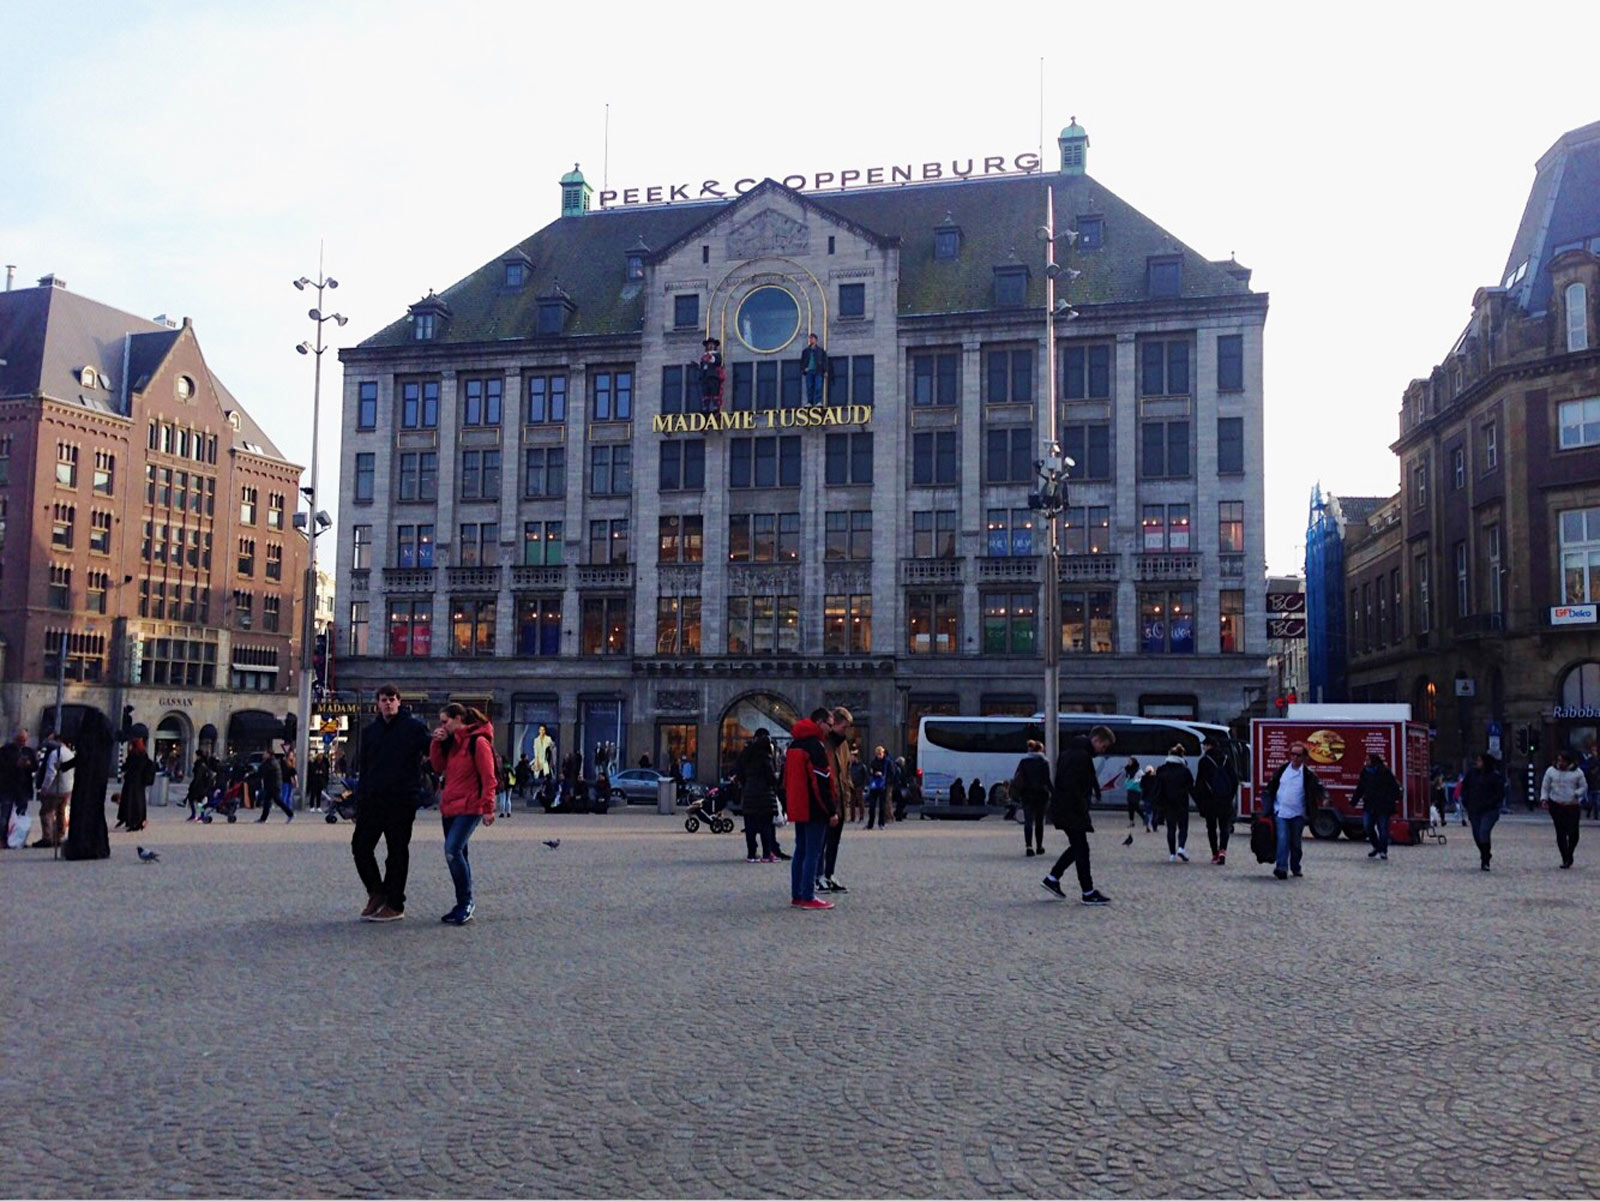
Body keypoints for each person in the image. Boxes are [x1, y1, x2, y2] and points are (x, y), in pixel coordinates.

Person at [352, 685, 433, 922]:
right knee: (360, 846)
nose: (388, 703)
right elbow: (364, 768)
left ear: (399, 701)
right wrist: (360, 801)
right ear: (377, 703)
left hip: (401, 800)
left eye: (392, 699)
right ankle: (376, 892)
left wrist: (442, 737)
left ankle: (395, 903)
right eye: (384, 700)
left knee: (396, 852)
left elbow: (432, 751)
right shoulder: (370, 732)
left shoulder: (414, 728)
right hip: (373, 800)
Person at [428, 703, 498, 924]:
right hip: (450, 806)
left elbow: (489, 777)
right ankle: (461, 903)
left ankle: (466, 902)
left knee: (452, 850)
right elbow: (438, 767)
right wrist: (436, 743)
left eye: (445, 722)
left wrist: (488, 808)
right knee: (459, 854)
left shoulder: (478, 742)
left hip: (470, 806)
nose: (443, 726)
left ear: (458, 718)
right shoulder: (452, 744)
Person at [1041, 725, 1114, 905]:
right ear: (1096, 740)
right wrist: (1083, 808)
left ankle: (1053, 878)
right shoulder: (1081, 756)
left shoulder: (1072, 752)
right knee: (1081, 849)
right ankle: (1087, 892)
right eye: (1103, 747)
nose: (1102, 751)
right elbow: (1075, 785)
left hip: (1065, 807)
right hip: (1071, 809)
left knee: (1078, 847)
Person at [783, 712, 838, 909]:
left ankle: (797, 894)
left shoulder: (794, 745)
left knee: (800, 851)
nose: (830, 729)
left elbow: (785, 779)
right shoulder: (815, 747)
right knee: (813, 853)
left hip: (799, 806)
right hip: (815, 807)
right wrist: (831, 810)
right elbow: (821, 782)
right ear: (819, 722)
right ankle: (808, 895)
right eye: (829, 725)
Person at [1263, 741, 1325, 880]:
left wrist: (1323, 798)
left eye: (1298, 755)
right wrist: (1267, 805)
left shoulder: (1308, 775)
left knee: (1295, 843)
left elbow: (1318, 789)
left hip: (1297, 814)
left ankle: (1295, 866)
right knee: (1283, 839)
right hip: (1281, 811)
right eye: (1292, 754)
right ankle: (1281, 868)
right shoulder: (1282, 770)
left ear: (1304, 757)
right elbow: (1271, 787)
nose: (1295, 757)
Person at [61, 712, 112, 861]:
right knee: (96, 814)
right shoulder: (104, 743)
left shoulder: (87, 741)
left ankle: (81, 847)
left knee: (82, 814)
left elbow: (81, 758)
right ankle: (98, 846)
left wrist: (64, 766)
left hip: (84, 785)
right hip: (98, 786)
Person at [818, 707, 854, 893]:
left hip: (840, 799)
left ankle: (829, 874)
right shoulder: (823, 743)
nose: (846, 732)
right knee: (821, 841)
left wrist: (847, 796)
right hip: (827, 800)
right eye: (844, 727)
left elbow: (846, 773)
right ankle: (819, 876)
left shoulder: (843, 745)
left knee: (834, 841)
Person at [737, 728, 782, 862]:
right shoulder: (765, 757)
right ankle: (766, 854)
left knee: (750, 826)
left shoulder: (746, 755)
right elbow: (771, 778)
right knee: (765, 826)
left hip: (749, 795)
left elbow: (739, 772)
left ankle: (751, 854)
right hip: (764, 796)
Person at [1196, 737, 1240, 865]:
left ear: (1209, 746)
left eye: (1205, 745)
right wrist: (1229, 796)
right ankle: (1223, 851)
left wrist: (1201, 801)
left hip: (1210, 801)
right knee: (1224, 827)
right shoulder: (1226, 759)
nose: (1204, 748)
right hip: (1225, 800)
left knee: (1211, 828)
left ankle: (1214, 853)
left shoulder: (1204, 761)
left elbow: (1200, 783)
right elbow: (1234, 780)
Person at [1541, 749, 1587, 869]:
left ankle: (1570, 851)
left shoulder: (1577, 773)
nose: (1560, 763)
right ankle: (1565, 857)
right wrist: (1544, 799)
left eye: (1563, 761)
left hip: (1572, 805)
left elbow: (1583, 786)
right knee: (1560, 832)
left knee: (1573, 833)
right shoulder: (1551, 771)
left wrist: (1577, 793)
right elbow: (1545, 786)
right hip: (1556, 804)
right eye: (1559, 760)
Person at [1151, 745, 1197, 862]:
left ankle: (1172, 854)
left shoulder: (1162, 769)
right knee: (1183, 827)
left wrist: (1156, 802)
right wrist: (1199, 802)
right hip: (1181, 801)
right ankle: (1181, 847)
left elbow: (1157, 787)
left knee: (1170, 828)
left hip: (1167, 802)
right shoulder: (1185, 770)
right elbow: (1191, 787)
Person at [1352, 752, 1400, 861]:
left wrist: (1389, 800)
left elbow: (1394, 788)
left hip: (1383, 806)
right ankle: (1377, 846)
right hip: (1369, 805)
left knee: (1383, 829)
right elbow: (1360, 788)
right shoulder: (1365, 772)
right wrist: (1354, 802)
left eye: (1368, 760)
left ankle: (1383, 850)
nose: (1366, 762)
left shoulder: (1385, 772)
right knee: (1367, 826)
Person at [1462, 752, 1506, 871]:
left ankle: (1485, 860)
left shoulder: (1494, 776)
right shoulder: (1472, 774)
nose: (1478, 763)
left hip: (1489, 810)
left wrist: (1492, 803)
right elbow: (1465, 788)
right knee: (1477, 834)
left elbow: (1499, 793)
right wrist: (1466, 801)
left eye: (1480, 761)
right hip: (1474, 809)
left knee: (1484, 831)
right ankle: (1485, 853)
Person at [1011, 739, 1052, 857]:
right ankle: (1039, 846)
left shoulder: (1024, 762)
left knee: (1028, 821)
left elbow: (1018, 777)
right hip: (1041, 795)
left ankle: (1029, 847)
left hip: (1027, 794)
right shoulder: (1044, 762)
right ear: (1041, 750)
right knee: (1039, 821)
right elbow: (1047, 780)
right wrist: (1054, 792)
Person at [35, 734, 75, 848]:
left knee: (45, 812)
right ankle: (59, 836)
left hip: (55, 789)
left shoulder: (55, 753)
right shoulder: (69, 752)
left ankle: (47, 837)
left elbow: (51, 773)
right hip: (67, 788)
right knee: (61, 811)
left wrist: (45, 787)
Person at [0, 731, 38, 849]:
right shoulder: (5, 751)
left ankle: (19, 839)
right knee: (5, 815)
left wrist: (29, 765)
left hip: (23, 788)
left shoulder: (28, 751)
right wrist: (16, 764)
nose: (23, 742)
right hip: (8, 787)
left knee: (23, 816)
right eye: (21, 740)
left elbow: (35, 767)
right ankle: (3, 839)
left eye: (25, 740)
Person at [117, 737, 155, 833]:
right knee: (139, 802)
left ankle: (131, 821)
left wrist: (122, 767)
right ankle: (138, 821)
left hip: (132, 782)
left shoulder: (133, 755)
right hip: (140, 783)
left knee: (131, 802)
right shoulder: (143, 754)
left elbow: (128, 766)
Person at [255, 746, 292, 823]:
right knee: (267, 802)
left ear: (269, 754)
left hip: (273, 786)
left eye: (265, 753)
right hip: (271, 785)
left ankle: (290, 813)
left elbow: (261, 772)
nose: (263, 755)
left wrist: (250, 776)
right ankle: (263, 818)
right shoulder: (271, 762)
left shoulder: (271, 763)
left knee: (277, 801)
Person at [865, 746, 892, 831]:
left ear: (883, 753)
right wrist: (874, 774)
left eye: (880, 754)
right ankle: (870, 824)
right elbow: (870, 772)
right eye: (877, 754)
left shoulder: (887, 762)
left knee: (882, 806)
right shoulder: (873, 762)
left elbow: (891, 774)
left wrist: (886, 780)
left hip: (883, 786)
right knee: (872, 806)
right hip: (874, 785)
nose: (879, 755)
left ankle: (881, 823)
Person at [186, 750, 218, 821]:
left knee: (192, 799)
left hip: (198, 786)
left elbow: (198, 777)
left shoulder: (200, 765)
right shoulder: (204, 764)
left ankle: (194, 814)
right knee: (199, 802)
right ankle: (201, 815)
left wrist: (193, 785)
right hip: (202, 786)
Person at [799, 332, 829, 404]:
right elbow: (802, 361)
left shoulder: (820, 351)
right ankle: (810, 402)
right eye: (810, 338)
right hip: (809, 371)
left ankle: (818, 401)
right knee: (809, 387)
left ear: (816, 340)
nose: (811, 340)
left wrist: (825, 371)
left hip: (818, 371)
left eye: (812, 338)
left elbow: (825, 361)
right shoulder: (805, 351)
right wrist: (804, 369)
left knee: (818, 387)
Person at [698, 337, 725, 412]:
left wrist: (710, 358)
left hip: (713, 376)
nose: (710, 346)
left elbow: (717, 362)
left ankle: (715, 406)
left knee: (714, 391)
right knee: (706, 392)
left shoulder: (717, 355)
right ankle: (705, 406)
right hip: (705, 377)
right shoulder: (703, 356)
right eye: (709, 345)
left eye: (712, 345)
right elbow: (702, 366)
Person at [1120, 757, 1142, 828]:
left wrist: (1134, 781)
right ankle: (1131, 822)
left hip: (1136, 790)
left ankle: (1144, 818)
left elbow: (1141, 779)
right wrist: (1127, 781)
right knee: (1130, 807)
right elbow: (1127, 778)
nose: (1129, 763)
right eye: (1128, 761)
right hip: (1130, 789)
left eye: (1130, 761)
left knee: (1136, 806)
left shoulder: (1139, 770)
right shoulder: (1127, 770)